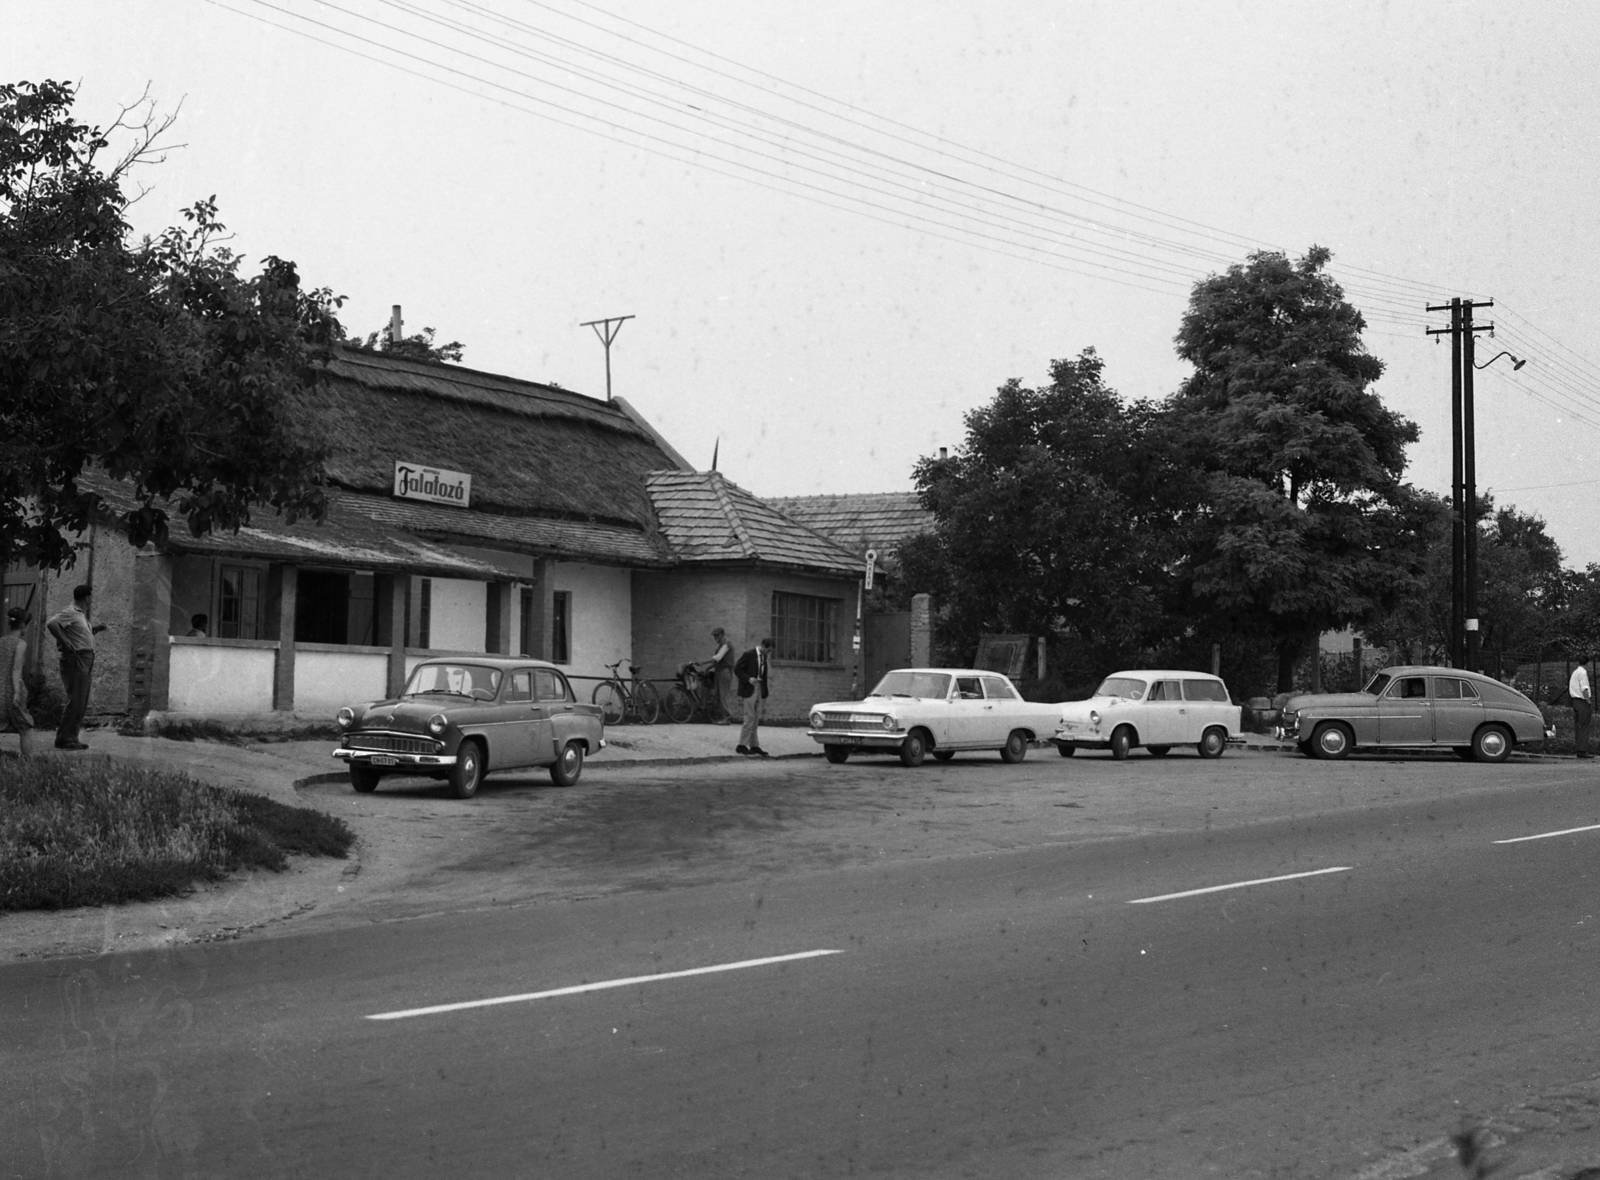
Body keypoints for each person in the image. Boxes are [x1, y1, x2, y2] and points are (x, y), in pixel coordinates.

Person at [45, 583, 105, 751]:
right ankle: (65, 738)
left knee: (81, 700)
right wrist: (65, 642)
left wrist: (95, 629)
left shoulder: (79, 614)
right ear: (87, 597)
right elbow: (51, 624)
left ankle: (71, 737)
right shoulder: (71, 611)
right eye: (91, 596)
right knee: (77, 699)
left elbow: (78, 634)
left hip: (84, 658)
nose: (91, 599)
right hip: (76, 658)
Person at [0, 606, 40, 755]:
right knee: (25, 728)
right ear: (23, 625)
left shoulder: (1, 642)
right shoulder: (20, 644)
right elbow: (16, 669)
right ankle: (27, 763)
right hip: (11, 689)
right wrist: (17, 692)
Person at [733, 636, 774, 756]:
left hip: (759, 687)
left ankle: (754, 745)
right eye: (768, 650)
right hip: (750, 688)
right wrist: (748, 679)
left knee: (755, 718)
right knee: (749, 716)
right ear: (762, 646)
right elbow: (737, 669)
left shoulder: (763, 656)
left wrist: (764, 690)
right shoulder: (749, 654)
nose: (769, 653)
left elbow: (763, 674)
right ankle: (741, 745)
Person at [698, 627, 735, 722]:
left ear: (722, 634)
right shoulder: (721, 645)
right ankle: (722, 717)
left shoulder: (726, 644)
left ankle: (727, 717)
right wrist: (708, 667)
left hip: (724, 672)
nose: (716, 638)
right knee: (718, 695)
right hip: (720, 671)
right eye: (714, 636)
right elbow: (717, 661)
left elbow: (718, 658)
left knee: (723, 695)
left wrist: (703, 662)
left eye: (717, 635)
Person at [1571, 658, 1593, 759]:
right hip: (1582, 701)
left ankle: (1578, 747)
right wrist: (1588, 700)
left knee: (1578, 725)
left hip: (1575, 701)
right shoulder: (1583, 673)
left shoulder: (1575, 672)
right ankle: (1583, 750)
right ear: (1587, 663)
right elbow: (1584, 689)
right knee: (1584, 726)